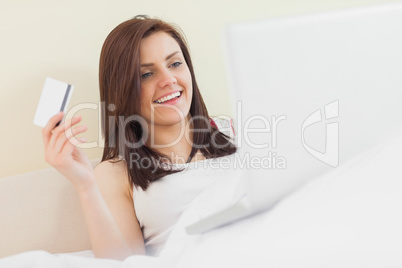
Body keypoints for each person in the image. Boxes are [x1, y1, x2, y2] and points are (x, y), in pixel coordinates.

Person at [42, 15, 236, 260]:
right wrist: (85, 187)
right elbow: (122, 263)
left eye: (175, 63)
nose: (168, 80)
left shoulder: (235, 131)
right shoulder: (116, 173)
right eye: (146, 75)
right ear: (123, 90)